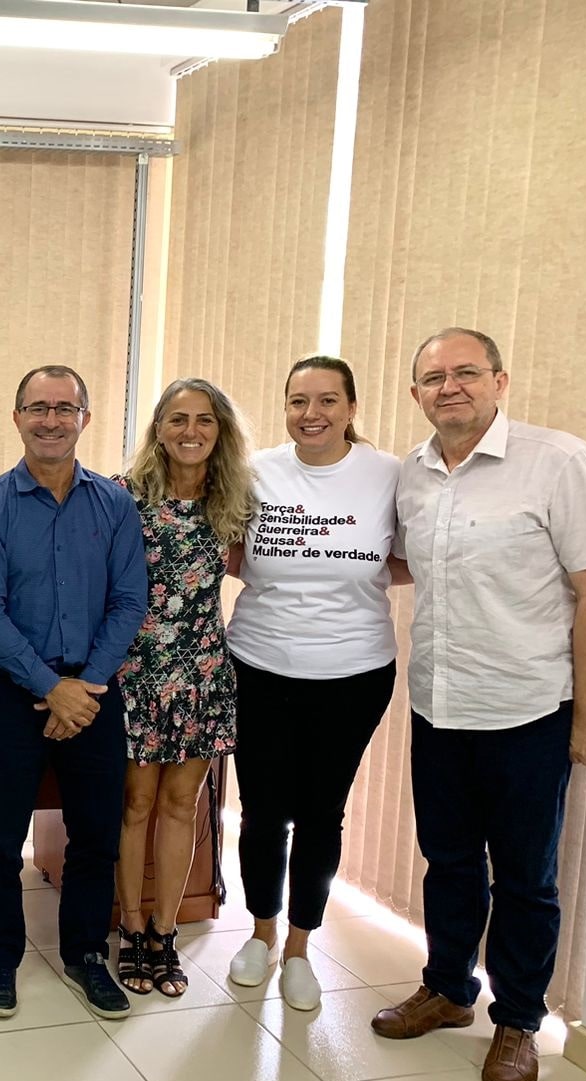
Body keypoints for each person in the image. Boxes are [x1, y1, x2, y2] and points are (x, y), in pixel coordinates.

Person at [373, 327, 586, 1081]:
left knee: (524, 878)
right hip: (440, 705)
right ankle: (449, 989)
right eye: (432, 377)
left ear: (499, 381)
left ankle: (517, 1018)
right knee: (447, 862)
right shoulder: (411, 476)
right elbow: (399, 562)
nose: (449, 387)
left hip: (528, 712)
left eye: (465, 373)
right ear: (415, 393)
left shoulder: (559, 461)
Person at [0, 365, 148, 1021]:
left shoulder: (115, 504)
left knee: (95, 836)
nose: (51, 419)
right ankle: (1, 962)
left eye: (64, 408)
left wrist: (85, 686)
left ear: (84, 420)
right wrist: (50, 688)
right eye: (37, 407)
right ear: (17, 418)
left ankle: (86, 955)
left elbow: (130, 601)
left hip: (94, 693)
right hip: (15, 694)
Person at [224, 356, 400, 1011]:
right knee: (263, 812)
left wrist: (342, 584)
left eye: (327, 400)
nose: (312, 414)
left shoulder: (387, 474)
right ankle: (262, 934)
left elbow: (401, 559)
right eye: (299, 400)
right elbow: (232, 552)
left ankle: (300, 948)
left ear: (352, 407)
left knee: (323, 813)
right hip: (259, 666)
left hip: (353, 674)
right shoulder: (255, 470)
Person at [112, 378, 250, 1001]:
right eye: (177, 420)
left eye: (204, 421)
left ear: (220, 432)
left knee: (181, 806)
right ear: (159, 429)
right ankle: (131, 928)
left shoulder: (236, 502)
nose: (191, 432)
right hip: (136, 670)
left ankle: (166, 932)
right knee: (135, 804)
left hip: (201, 672)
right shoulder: (124, 497)